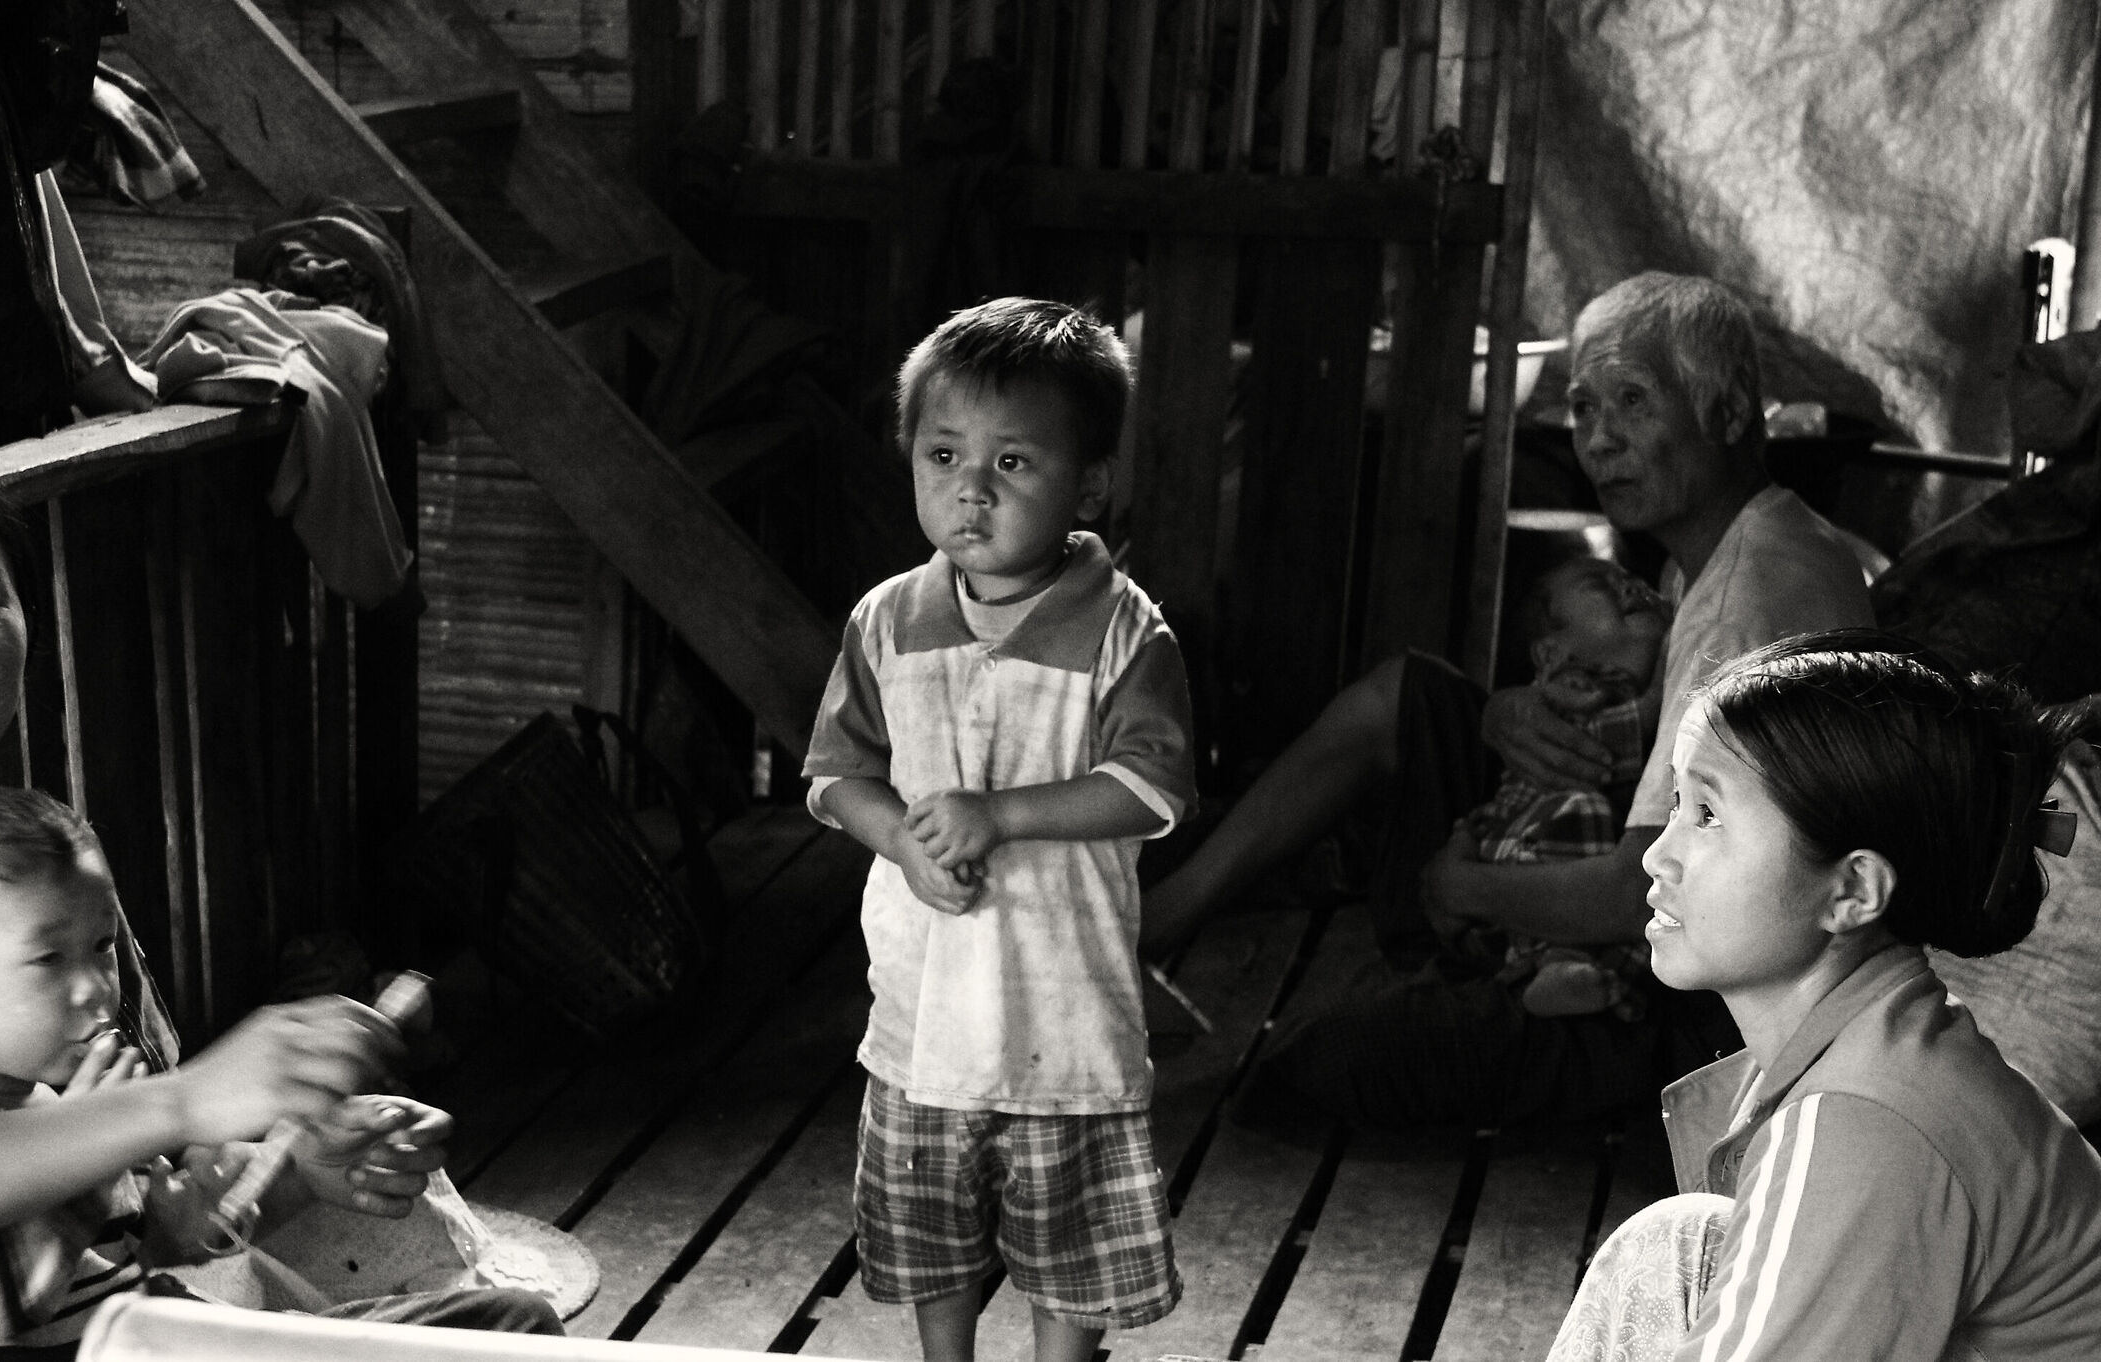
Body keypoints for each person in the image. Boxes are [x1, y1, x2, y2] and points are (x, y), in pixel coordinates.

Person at [0, 445, 460, 1362]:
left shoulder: (34, 869)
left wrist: (293, 1166)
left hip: (105, 1338)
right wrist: (183, 1103)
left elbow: (145, 1191)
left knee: (507, 1332)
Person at [1142, 272, 1875, 1127]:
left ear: (1728, 411)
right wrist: (1502, 716)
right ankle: (1163, 922)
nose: (1600, 440)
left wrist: (1464, 885)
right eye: (1585, 407)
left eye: (1633, 402)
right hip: (1661, 900)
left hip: (1698, 1009)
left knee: (1303, 1066)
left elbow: (1627, 897)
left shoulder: (1740, 603)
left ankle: (1473, 961)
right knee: (1413, 697)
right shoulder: (1743, 541)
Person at [0, 785, 559, 1358]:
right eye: (49, 958)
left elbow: (151, 1238)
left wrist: (299, 1167)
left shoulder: (54, 1094)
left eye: (102, 945)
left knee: (508, 1323)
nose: (96, 986)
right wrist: (89, 1155)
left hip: (154, 1340)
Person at [801, 298, 1195, 1362]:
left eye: (1014, 461)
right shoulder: (885, 622)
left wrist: (998, 815)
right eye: (943, 455)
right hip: (925, 1006)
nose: (971, 489)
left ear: (1090, 487)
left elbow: (1153, 787)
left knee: (1072, 1232)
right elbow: (834, 773)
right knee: (931, 1225)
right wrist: (901, 840)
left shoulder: (1123, 628)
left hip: (1065, 1006)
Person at [1546, 632, 2101, 1361]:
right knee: (1678, 1244)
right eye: (1677, 803)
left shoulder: (1868, 1124)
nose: (1658, 855)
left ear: (1852, 891)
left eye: (1708, 816)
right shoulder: (1881, 1053)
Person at [1456, 556, 1670, 1020]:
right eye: (1602, 585)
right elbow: (1606, 747)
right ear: (1549, 654)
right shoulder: (1570, 688)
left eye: (1632, 578)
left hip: (1578, 871)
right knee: (1583, 813)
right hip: (1529, 845)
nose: (1631, 586)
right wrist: (1661, 691)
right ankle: (1554, 967)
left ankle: (1576, 978)